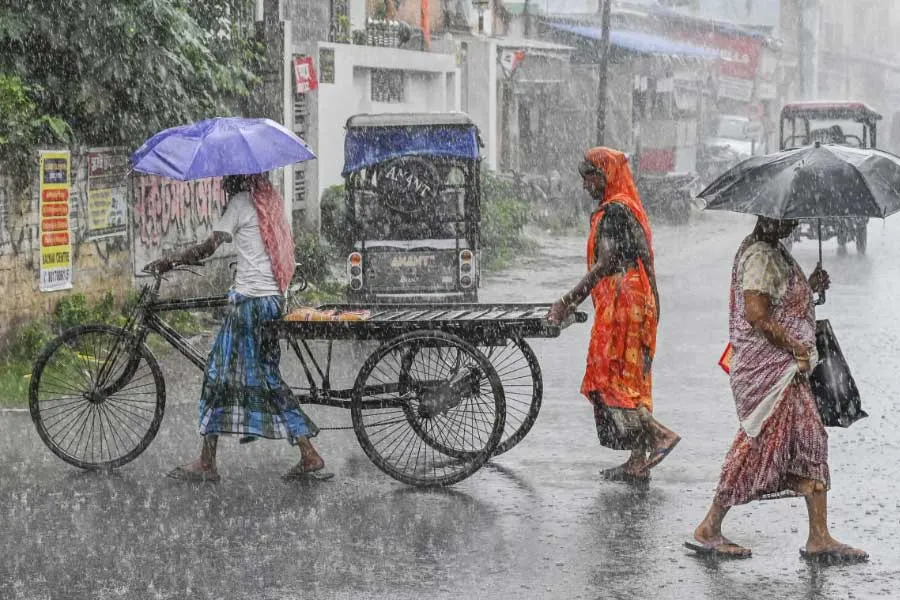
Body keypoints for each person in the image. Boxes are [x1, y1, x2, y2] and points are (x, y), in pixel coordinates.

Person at [686, 217, 867, 562]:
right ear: (769, 215)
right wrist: (795, 346)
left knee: (811, 440)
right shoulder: (759, 255)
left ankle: (819, 536)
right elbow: (757, 314)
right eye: (789, 217)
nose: (795, 222)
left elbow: (779, 301)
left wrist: (809, 288)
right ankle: (709, 527)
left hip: (788, 372)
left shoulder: (773, 251)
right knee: (758, 444)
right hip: (772, 371)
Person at [147, 173, 330, 483]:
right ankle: (299, 451)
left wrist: (171, 260)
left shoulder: (241, 203)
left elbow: (208, 247)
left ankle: (211, 462)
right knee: (259, 377)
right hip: (270, 301)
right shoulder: (267, 202)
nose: (223, 186)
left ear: (234, 181)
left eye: (226, 181)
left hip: (250, 305)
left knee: (220, 375)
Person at [548, 147, 680, 482]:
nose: (585, 186)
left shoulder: (613, 213)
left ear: (604, 175)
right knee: (632, 378)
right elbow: (648, 263)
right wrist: (656, 306)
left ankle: (659, 436)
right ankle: (638, 460)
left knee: (608, 376)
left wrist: (567, 300)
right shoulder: (630, 208)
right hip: (640, 298)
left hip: (623, 301)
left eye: (589, 178)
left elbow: (604, 264)